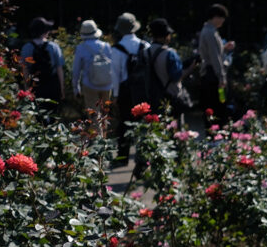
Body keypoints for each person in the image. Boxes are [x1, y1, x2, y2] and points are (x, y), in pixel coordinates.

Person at [111, 12, 149, 166]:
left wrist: (115, 95)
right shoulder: (145, 46)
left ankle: (122, 157)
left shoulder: (117, 49)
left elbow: (115, 75)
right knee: (143, 124)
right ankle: (142, 159)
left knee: (125, 123)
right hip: (142, 90)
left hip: (125, 91)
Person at [146, 18, 191, 122]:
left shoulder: (145, 52)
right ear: (166, 35)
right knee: (175, 130)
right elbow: (177, 77)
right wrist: (190, 68)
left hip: (151, 98)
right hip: (170, 97)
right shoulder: (169, 53)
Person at [198, 3, 235, 125]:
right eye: (222, 17)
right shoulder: (210, 33)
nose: (223, 21)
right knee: (218, 104)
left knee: (214, 104)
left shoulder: (209, 31)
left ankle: (214, 132)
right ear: (215, 17)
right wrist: (221, 77)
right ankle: (216, 133)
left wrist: (224, 48)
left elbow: (214, 52)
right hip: (213, 74)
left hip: (210, 72)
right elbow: (214, 57)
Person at [71, 19, 114, 114]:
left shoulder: (81, 48)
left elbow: (76, 70)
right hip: (107, 85)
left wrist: (76, 88)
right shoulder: (106, 46)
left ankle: (97, 129)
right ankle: (104, 129)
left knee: (94, 115)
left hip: (90, 85)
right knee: (105, 115)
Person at [20, 16, 64, 107]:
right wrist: (62, 89)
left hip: (36, 85)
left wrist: (27, 88)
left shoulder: (26, 48)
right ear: (45, 31)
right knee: (53, 112)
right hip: (52, 84)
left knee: (39, 114)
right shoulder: (53, 47)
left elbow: (25, 70)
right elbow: (59, 69)